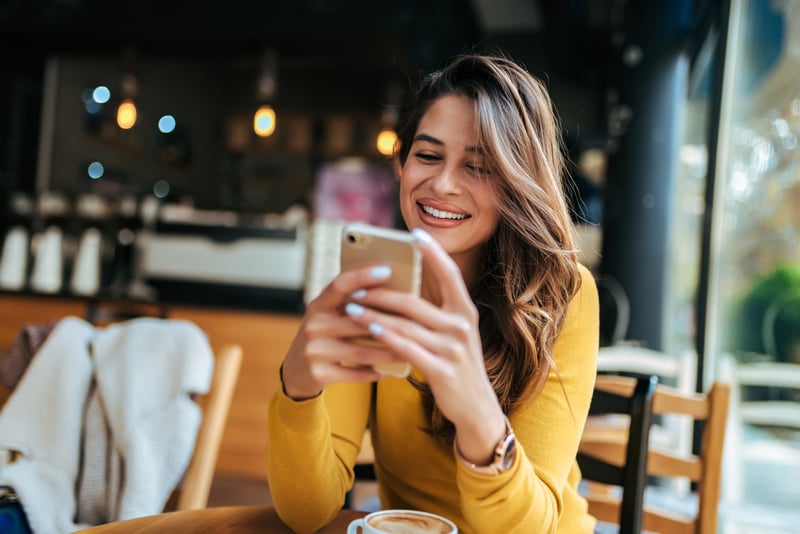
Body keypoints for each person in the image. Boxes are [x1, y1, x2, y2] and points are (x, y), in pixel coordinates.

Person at [266, 53, 599, 533]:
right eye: (427, 155)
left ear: (516, 184)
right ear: (401, 163)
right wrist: (297, 385)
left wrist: (475, 410)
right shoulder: (374, 286)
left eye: (479, 166)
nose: (442, 184)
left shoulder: (561, 295)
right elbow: (305, 512)